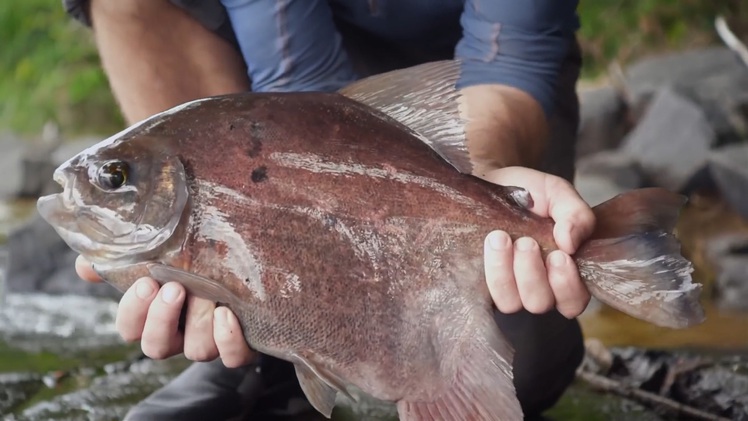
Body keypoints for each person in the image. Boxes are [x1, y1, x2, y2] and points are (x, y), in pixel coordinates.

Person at [62, 0, 596, 419]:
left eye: (113, 179)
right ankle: (265, 354)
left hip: (482, 96)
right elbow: (296, 83)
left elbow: (515, 54)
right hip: (286, 107)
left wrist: (481, 186)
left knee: (529, 364)